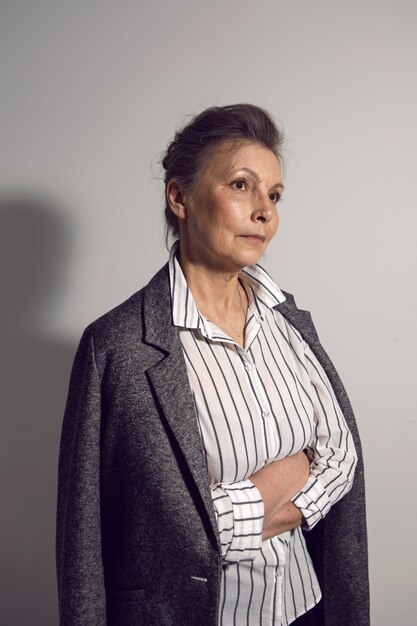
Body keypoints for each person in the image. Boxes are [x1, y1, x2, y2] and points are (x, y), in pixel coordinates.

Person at [56, 104, 369, 626]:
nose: (264, 211)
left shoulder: (289, 322)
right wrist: (285, 477)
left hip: (305, 609)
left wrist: (233, 515)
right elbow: (92, 542)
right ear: (179, 197)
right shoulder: (115, 348)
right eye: (242, 186)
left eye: (273, 195)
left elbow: (342, 457)